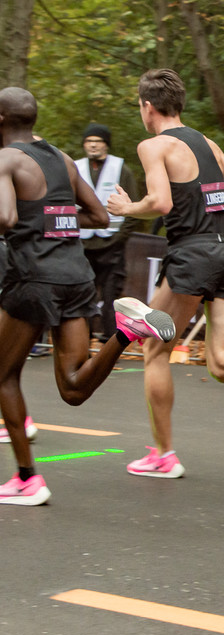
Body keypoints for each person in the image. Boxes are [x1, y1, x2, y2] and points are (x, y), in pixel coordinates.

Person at [0, 87, 175, 505]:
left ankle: (27, 477)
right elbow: (98, 215)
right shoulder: (62, 159)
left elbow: (6, 217)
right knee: (74, 388)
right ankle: (127, 331)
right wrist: (51, 216)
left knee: (3, 376)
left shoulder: (6, 159)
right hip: (76, 276)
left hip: (33, 278)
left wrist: (32, 220)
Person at [106, 69, 224, 479]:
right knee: (223, 364)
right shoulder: (206, 142)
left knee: (154, 349)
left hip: (193, 255)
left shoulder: (153, 145)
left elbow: (159, 202)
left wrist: (126, 208)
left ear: (148, 106)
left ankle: (164, 455)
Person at [75, 123, 146, 342]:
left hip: (112, 246)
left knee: (111, 297)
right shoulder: (75, 167)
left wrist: (119, 238)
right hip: (83, 246)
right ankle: (82, 341)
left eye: (98, 141)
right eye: (89, 141)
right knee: (82, 294)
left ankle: (110, 342)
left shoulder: (120, 168)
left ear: (106, 144)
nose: (93, 145)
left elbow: (133, 207)